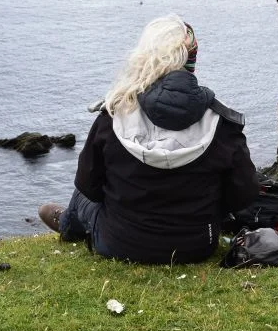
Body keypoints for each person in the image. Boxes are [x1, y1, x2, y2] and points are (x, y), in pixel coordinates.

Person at [39, 14, 259, 264]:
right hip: (197, 244)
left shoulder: (114, 114)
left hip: (119, 242)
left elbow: (89, 185)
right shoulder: (222, 123)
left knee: (81, 196)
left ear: (144, 57)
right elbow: (244, 194)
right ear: (191, 59)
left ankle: (68, 225)